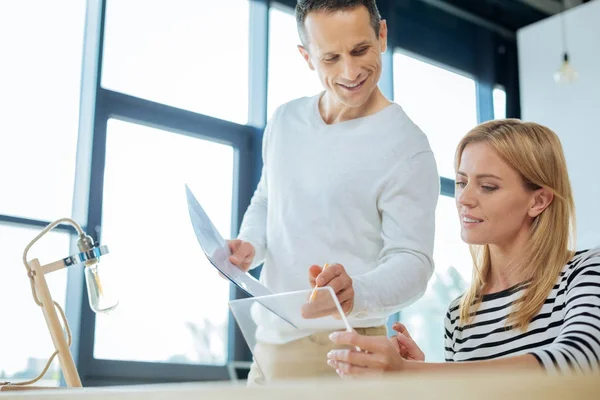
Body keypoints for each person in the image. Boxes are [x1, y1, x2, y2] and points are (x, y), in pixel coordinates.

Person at [227, 0, 439, 383]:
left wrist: (354, 291)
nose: (351, 71)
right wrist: (248, 244)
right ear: (307, 57)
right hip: (267, 346)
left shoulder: (408, 146)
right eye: (331, 58)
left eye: (361, 50)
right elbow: (267, 199)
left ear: (383, 35)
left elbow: (414, 262)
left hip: (347, 352)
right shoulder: (285, 120)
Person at [326, 119, 600, 376]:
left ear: (538, 201)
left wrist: (417, 373)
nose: (464, 198)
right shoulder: (460, 315)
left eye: (488, 186)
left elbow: (581, 360)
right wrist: (417, 381)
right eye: (461, 182)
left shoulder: (586, 272)